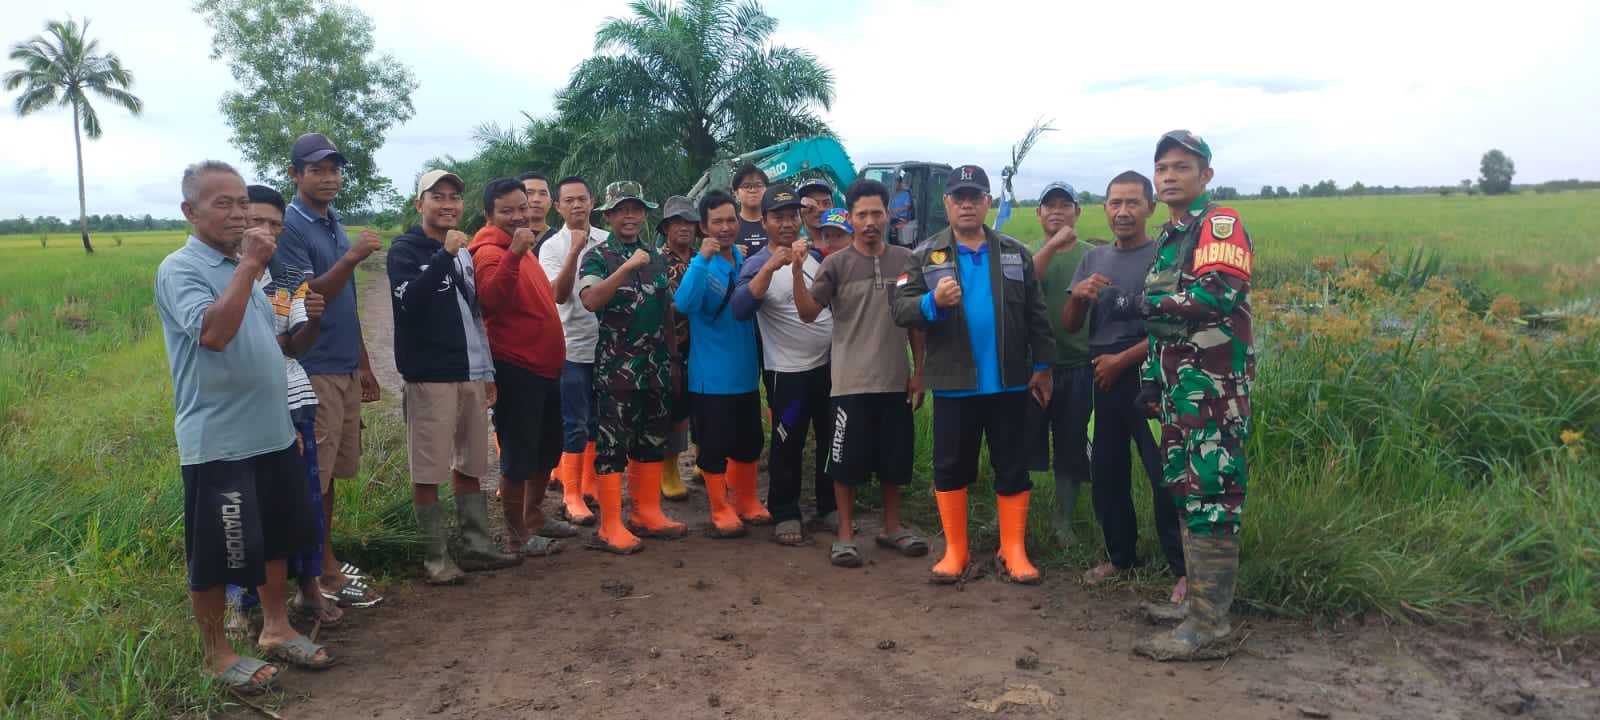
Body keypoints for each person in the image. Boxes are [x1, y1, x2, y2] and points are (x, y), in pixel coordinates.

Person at [156, 161, 334, 693]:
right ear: (190, 211)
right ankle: (216, 654)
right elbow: (214, 334)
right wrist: (251, 265)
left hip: (271, 433)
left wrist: (284, 421)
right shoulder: (181, 269)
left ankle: (276, 628)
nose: (238, 214)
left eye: (242, 203)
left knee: (275, 539)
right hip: (220, 441)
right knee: (217, 551)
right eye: (223, 204)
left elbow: (269, 349)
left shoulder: (244, 268)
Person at [1098, 131, 1255, 661]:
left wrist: (1135, 304)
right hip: (1176, 389)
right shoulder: (1171, 235)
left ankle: (1210, 625)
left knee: (1212, 494)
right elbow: (1167, 321)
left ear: (1205, 175)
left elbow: (1216, 294)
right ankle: (1196, 608)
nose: (1169, 176)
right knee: (1186, 490)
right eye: (1162, 167)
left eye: (1182, 167)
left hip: (1212, 389)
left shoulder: (1219, 224)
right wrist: (1151, 376)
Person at [890, 164, 1055, 585]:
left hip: (1009, 382)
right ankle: (956, 552)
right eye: (959, 197)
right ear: (947, 203)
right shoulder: (925, 255)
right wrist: (931, 301)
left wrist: (1043, 367)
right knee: (950, 467)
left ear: (987, 202)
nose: (967, 204)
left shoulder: (1015, 253)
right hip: (954, 384)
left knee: (1012, 467)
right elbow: (900, 308)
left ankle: (1013, 550)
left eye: (975, 197)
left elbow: (1037, 314)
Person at [388, 170, 524, 584]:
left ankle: (477, 546)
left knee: (470, 462)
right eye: (438, 196)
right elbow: (410, 302)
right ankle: (435, 559)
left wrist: (486, 370)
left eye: (454, 197)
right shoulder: (405, 250)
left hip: (469, 372)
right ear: (420, 204)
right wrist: (444, 255)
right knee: (428, 468)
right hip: (429, 375)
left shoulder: (463, 251)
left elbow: (474, 314)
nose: (448, 204)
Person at [1063, 172, 1187, 603]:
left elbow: (1174, 326)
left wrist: (1123, 361)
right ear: (1104, 208)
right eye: (1115, 203)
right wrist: (1077, 296)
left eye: (1133, 202)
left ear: (1150, 208)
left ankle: (1183, 569)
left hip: (1149, 378)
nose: (1123, 211)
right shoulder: (1093, 259)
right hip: (1101, 376)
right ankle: (1120, 558)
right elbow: (1071, 325)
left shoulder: (1164, 257)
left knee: (1164, 474)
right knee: (1106, 472)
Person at [792, 182, 928, 568]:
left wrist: (919, 372)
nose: (869, 222)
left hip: (895, 379)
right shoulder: (835, 265)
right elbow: (807, 313)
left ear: (888, 216)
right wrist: (797, 270)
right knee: (845, 464)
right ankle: (845, 535)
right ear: (850, 218)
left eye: (876, 213)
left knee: (894, 461)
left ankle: (891, 528)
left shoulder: (906, 261)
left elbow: (916, 322)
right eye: (862, 214)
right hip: (849, 382)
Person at [273, 132, 382, 608]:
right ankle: (313, 577)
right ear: (294, 174)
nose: (329, 178)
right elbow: (307, 298)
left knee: (330, 474)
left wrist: (364, 363)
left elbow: (346, 302)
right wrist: (353, 256)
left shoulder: (331, 220)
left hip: (342, 366)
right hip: (312, 366)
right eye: (316, 169)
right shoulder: (292, 226)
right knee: (310, 479)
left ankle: (324, 561)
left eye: (334, 169)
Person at [231, 185, 343, 630]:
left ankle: (308, 589)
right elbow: (228, 340)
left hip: (294, 399)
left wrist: (312, 319)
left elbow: (296, 345)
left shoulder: (291, 275)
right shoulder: (224, 274)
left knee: (303, 503)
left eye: (275, 224)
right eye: (256, 220)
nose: (266, 230)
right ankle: (242, 603)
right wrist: (274, 339)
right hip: (242, 407)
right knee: (244, 509)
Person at [470, 177, 576, 556]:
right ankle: (517, 534)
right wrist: (514, 253)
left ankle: (534, 515)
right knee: (518, 455)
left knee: (547, 448)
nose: (517, 216)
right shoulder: (489, 252)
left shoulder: (522, 245)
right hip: (517, 369)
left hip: (545, 368)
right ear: (489, 215)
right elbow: (490, 300)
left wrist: (518, 250)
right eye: (506, 211)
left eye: (522, 207)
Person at [578, 181, 686, 553]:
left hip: (656, 367)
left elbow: (666, 310)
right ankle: (610, 526)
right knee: (612, 447)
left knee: (652, 441)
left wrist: (673, 360)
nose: (630, 216)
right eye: (621, 209)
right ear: (608, 215)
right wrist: (625, 268)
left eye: (636, 209)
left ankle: (647, 513)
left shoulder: (655, 256)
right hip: (617, 371)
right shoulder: (597, 256)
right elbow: (591, 300)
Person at [731, 185, 839, 546]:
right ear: (764, 222)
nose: (788, 223)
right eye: (778, 217)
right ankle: (785, 510)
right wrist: (771, 266)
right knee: (787, 442)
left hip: (828, 368)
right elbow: (740, 308)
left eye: (793, 216)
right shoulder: (756, 264)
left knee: (830, 439)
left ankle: (829, 506)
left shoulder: (816, 258)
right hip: (787, 373)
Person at [673, 190, 766, 538]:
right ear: (704, 226)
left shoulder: (743, 260)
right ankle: (720, 508)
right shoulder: (703, 264)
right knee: (714, 447)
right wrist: (700, 260)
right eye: (717, 222)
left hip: (746, 375)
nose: (725, 227)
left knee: (749, 442)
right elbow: (683, 304)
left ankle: (746, 500)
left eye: (730, 220)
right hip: (711, 378)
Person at [1024, 181, 1095, 547]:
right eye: (1049, 205)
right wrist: (1052, 245)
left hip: (1078, 366)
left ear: (1077, 213)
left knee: (1071, 448)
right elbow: (1023, 285)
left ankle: (1063, 521)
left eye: (1064, 205)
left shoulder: (1092, 256)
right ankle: (1010, 517)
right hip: (1032, 368)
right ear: (1038, 214)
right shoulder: (1026, 253)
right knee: (1019, 445)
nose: (1056, 211)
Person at [539, 176, 608, 525]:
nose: (577, 205)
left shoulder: (609, 241)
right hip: (570, 347)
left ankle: (590, 483)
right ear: (558, 206)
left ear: (592, 202)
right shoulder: (552, 247)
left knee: (597, 419)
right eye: (569, 200)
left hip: (606, 345)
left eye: (582, 199)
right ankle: (571, 494)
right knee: (574, 422)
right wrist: (574, 251)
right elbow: (558, 294)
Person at [655, 195, 699, 502]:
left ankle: (703, 460)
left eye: (689, 222)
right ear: (666, 228)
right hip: (672, 345)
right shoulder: (657, 260)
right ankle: (669, 470)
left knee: (703, 405)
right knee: (675, 409)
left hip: (705, 344)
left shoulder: (702, 258)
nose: (684, 228)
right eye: (676, 223)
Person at [731, 163, 769, 259]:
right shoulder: (730, 225)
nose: (753, 190)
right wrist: (728, 253)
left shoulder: (775, 222)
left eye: (758, 185)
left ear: (767, 190)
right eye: (746, 186)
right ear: (736, 193)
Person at [518, 171, 560, 252]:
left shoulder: (560, 239)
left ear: (550, 202)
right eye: (529, 193)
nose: (536, 199)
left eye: (543, 193)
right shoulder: (504, 237)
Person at [796, 178, 836, 248]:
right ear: (800, 210)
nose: (820, 209)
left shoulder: (849, 235)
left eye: (826, 203)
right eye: (812, 205)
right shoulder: (793, 243)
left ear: (833, 206)